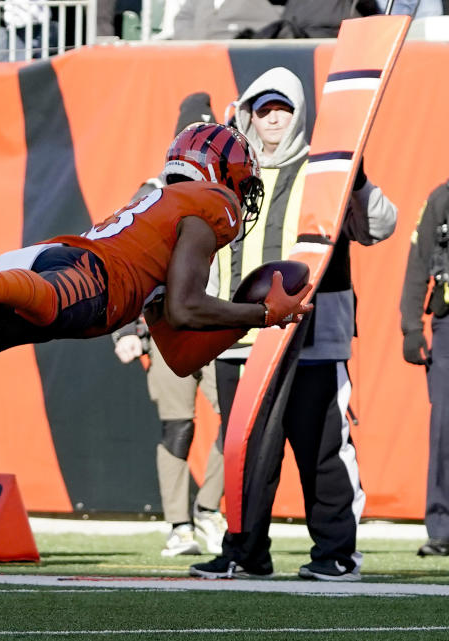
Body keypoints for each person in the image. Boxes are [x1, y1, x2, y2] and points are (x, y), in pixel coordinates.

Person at [0, 123, 314, 380]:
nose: (240, 198)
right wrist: (264, 311)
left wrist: (249, 320)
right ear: (224, 175)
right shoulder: (209, 203)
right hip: (81, 281)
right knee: (58, 305)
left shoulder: (160, 213)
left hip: (51, 267)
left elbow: (180, 353)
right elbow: (186, 306)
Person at [189, 67, 397, 582]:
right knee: (244, 452)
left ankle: (336, 554)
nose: (274, 118)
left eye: (283, 108)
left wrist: (359, 179)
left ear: (300, 114)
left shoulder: (328, 170)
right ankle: (244, 551)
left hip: (312, 334)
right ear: (247, 117)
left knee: (322, 449)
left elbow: (381, 227)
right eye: (264, 109)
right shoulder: (229, 176)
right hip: (241, 336)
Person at [113, 92, 227, 558]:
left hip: (223, 324)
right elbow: (122, 259)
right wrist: (125, 330)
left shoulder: (236, 187)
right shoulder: (152, 191)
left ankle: (209, 506)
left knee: (238, 420)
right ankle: (179, 523)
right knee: (177, 426)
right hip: (168, 328)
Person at [400, 179, 449, 557]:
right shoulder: (442, 197)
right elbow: (419, 262)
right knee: (445, 428)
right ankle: (443, 526)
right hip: (448, 326)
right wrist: (412, 327)